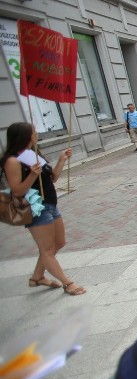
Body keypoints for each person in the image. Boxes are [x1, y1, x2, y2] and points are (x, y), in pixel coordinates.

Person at [1, 123, 85, 295]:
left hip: (51, 204)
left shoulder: (31, 153)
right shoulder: (13, 160)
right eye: (33, 132)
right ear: (24, 136)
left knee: (58, 243)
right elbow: (17, 191)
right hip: (35, 208)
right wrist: (32, 174)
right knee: (47, 249)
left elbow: (53, 178)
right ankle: (68, 283)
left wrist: (62, 159)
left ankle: (37, 277)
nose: (36, 134)